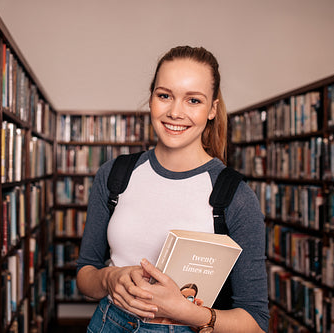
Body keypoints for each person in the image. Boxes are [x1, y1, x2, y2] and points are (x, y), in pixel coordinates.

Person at [76, 45, 269, 332]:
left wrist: (188, 312)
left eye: (193, 100)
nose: (175, 112)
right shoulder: (115, 174)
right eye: (164, 96)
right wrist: (109, 279)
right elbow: (85, 276)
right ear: (151, 98)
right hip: (109, 322)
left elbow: (256, 323)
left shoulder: (235, 196)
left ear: (212, 109)